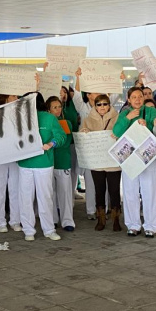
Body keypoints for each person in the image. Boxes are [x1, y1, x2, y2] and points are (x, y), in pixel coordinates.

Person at [17, 92, 67, 241]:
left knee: (45, 197)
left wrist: (52, 144)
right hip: (25, 163)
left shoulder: (49, 118)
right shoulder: (20, 119)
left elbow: (61, 136)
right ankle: (28, 230)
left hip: (44, 164)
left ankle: (49, 229)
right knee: (25, 197)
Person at [112, 87, 156, 237]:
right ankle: (133, 225)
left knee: (149, 191)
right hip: (129, 157)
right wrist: (128, 118)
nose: (138, 99)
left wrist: (150, 125)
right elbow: (116, 133)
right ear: (128, 99)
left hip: (148, 155)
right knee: (130, 192)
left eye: (140, 96)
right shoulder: (125, 113)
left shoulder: (151, 111)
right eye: (134, 97)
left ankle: (150, 226)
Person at [79, 94, 121, 231]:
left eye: (105, 104)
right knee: (99, 190)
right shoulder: (88, 119)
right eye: (99, 104)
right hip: (96, 162)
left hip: (113, 162)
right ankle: (101, 219)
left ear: (109, 105)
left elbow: (123, 133)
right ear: (95, 106)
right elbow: (82, 137)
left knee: (114, 191)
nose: (102, 107)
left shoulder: (118, 118)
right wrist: (84, 132)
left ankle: (116, 219)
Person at [0, 94, 21, 233]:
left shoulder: (20, 112)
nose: (16, 98)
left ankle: (15, 220)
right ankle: (0, 221)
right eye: (13, 96)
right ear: (6, 98)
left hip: (15, 155)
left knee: (15, 189)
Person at [72, 67, 101, 220]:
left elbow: (115, 95)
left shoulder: (104, 107)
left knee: (103, 181)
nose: (97, 95)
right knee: (90, 180)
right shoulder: (83, 108)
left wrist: (119, 79)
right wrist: (78, 78)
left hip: (102, 148)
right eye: (94, 92)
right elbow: (76, 95)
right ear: (89, 95)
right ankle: (91, 210)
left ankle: (104, 208)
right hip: (88, 149)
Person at [46, 96, 75, 232]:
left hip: (63, 162)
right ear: (49, 109)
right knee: (50, 192)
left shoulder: (66, 123)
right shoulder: (46, 123)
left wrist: (51, 143)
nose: (58, 110)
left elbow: (65, 142)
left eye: (59, 106)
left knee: (65, 193)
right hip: (49, 162)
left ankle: (67, 220)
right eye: (54, 107)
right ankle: (52, 220)